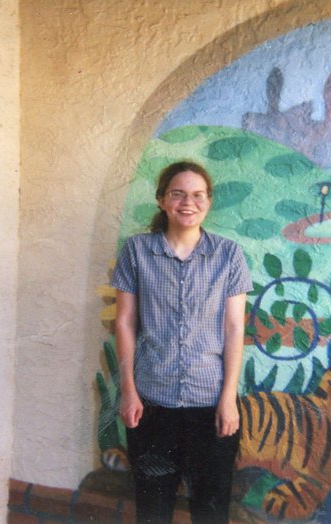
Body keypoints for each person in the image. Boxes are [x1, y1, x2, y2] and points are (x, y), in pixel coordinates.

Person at [111, 161, 252, 523]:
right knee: (152, 511)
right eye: (178, 194)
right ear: (161, 200)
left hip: (212, 406)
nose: (188, 203)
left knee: (210, 512)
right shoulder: (137, 251)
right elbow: (124, 323)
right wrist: (128, 391)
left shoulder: (228, 255)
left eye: (197, 195)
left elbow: (234, 329)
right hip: (151, 404)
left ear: (208, 202)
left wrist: (228, 400)